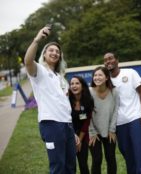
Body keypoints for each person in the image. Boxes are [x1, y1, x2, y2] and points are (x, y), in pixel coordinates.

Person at [24, 26, 79, 174]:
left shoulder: (60, 78)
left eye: (57, 51)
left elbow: (64, 106)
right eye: (51, 50)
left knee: (70, 166)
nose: (55, 53)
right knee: (58, 167)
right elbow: (28, 61)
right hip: (51, 124)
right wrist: (37, 40)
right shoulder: (39, 71)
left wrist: (71, 131)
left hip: (66, 126)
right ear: (44, 54)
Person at [103, 53, 141, 174]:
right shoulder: (106, 80)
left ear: (117, 60)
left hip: (134, 118)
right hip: (118, 123)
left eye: (110, 58)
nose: (108, 61)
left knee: (139, 152)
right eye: (105, 60)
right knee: (126, 152)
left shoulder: (130, 73)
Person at [88, 66, 118, 174]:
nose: (97, 77)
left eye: (100, 75)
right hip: (93, 132)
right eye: (95, 75)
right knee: (97, 159)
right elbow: (87, 114)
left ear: (106, 77)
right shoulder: (89, 92)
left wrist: (112, 130)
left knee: (111, 158)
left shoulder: (114, 91)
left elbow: (115, 111)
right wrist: (92, 131)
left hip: (109, 130)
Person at [69, 76, 94, 174]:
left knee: (83, 164)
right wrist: (74, 138)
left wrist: (79, 140)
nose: (74, 86)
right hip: (69, 134)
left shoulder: (88, 101)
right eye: (72, 84)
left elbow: (86, 122)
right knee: (71, 165)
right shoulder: (66, 101)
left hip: (83, 135)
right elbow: (67, 120)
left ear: (82, 86)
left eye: (77, 83)